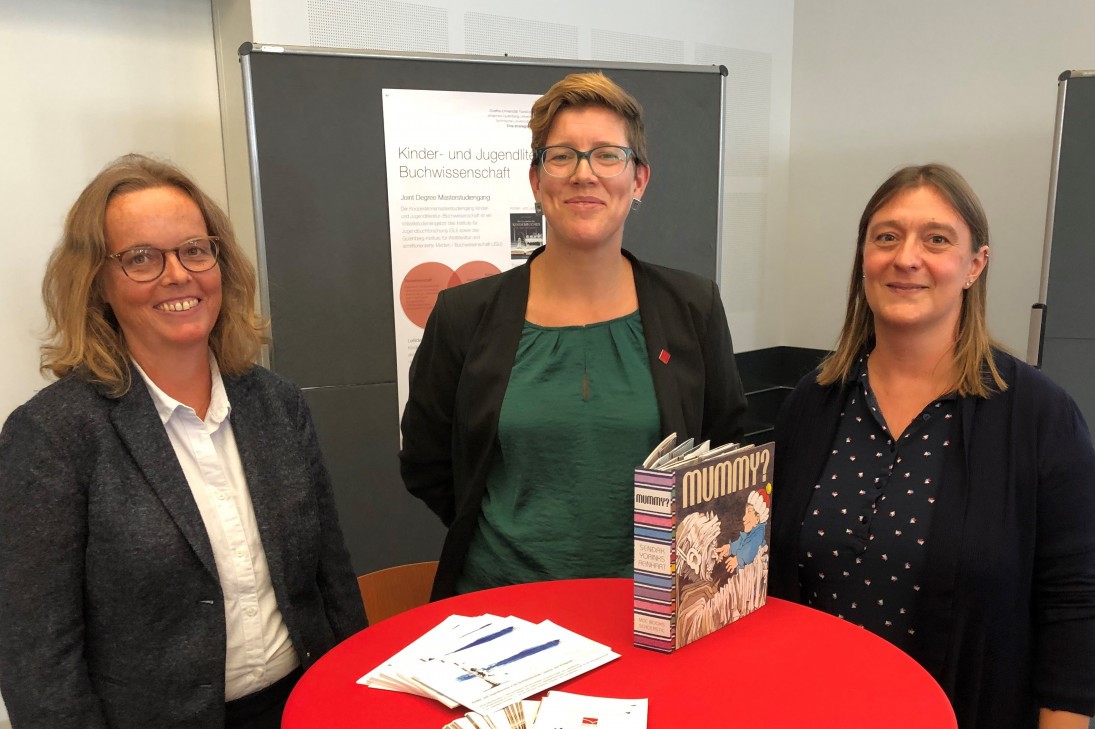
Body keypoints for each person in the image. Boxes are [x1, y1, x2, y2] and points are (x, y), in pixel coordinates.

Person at [0, 154, 366, 729]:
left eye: (195, 249)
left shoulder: (276, 403)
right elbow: (38, 654)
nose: (177, 275)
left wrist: (354, 697)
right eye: (140, 258)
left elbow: (331, 578)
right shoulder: (53, 435)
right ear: (97, 281)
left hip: (300, 705)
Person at [769, 163, 1095, 729]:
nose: (906, 258)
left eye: (936, 239)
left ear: (974, 265)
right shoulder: (813, 402)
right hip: (810, 709)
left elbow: (1076, 605)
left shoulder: (1040, 417)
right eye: (886, 237)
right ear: (864, 260)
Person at [400, 71, 746, 599]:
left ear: (639, 180)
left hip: (653, 609)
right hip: (500, 609)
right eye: (562, 156)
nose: (585, 174)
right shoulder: (464, 315)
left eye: (608, 155)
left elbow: (724, 457)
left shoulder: (692, 308)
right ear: (537, 181)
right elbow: (427, 462)